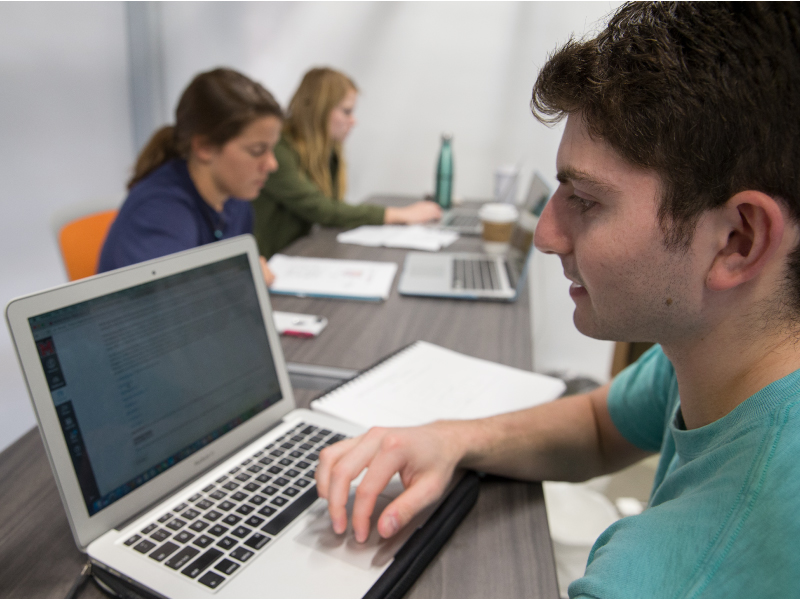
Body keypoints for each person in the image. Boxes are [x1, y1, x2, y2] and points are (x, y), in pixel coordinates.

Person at [316, 3, 800, 597]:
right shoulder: (726, 348)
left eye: (586, 200)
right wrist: (451, 438)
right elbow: (600, 425)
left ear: (737, 240)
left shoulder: (665, 574)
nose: (545, 235)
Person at [98, 68, 283, 284]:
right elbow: (173, 307)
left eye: (272, 149)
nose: (272, 164)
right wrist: (240, 279)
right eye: (257, 150)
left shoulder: (235, 202)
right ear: (204, 146)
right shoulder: (160, 213)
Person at [251, 67, 442, 259]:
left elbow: (329, 210)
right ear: (320, 110)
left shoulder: (328, 153)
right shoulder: (277, 150)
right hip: (270, 264)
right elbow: (322, 209)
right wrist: (399, 215)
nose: (353, 121)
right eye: (346, 111)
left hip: (299, 257)